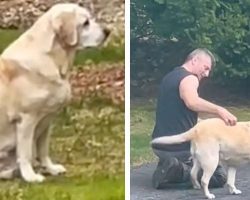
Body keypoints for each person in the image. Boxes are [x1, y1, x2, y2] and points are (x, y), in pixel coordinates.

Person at [151, 48, 237, 189]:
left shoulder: (170, 77)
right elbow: (192, 101)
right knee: (219, 176)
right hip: (179, 147)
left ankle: (170, 165)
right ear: (195, 60)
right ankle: (178, 170)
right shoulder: (190, 78)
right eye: (206, 68)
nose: (207, 74)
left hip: (160, 143)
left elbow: (178, 114)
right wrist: (220, 110)